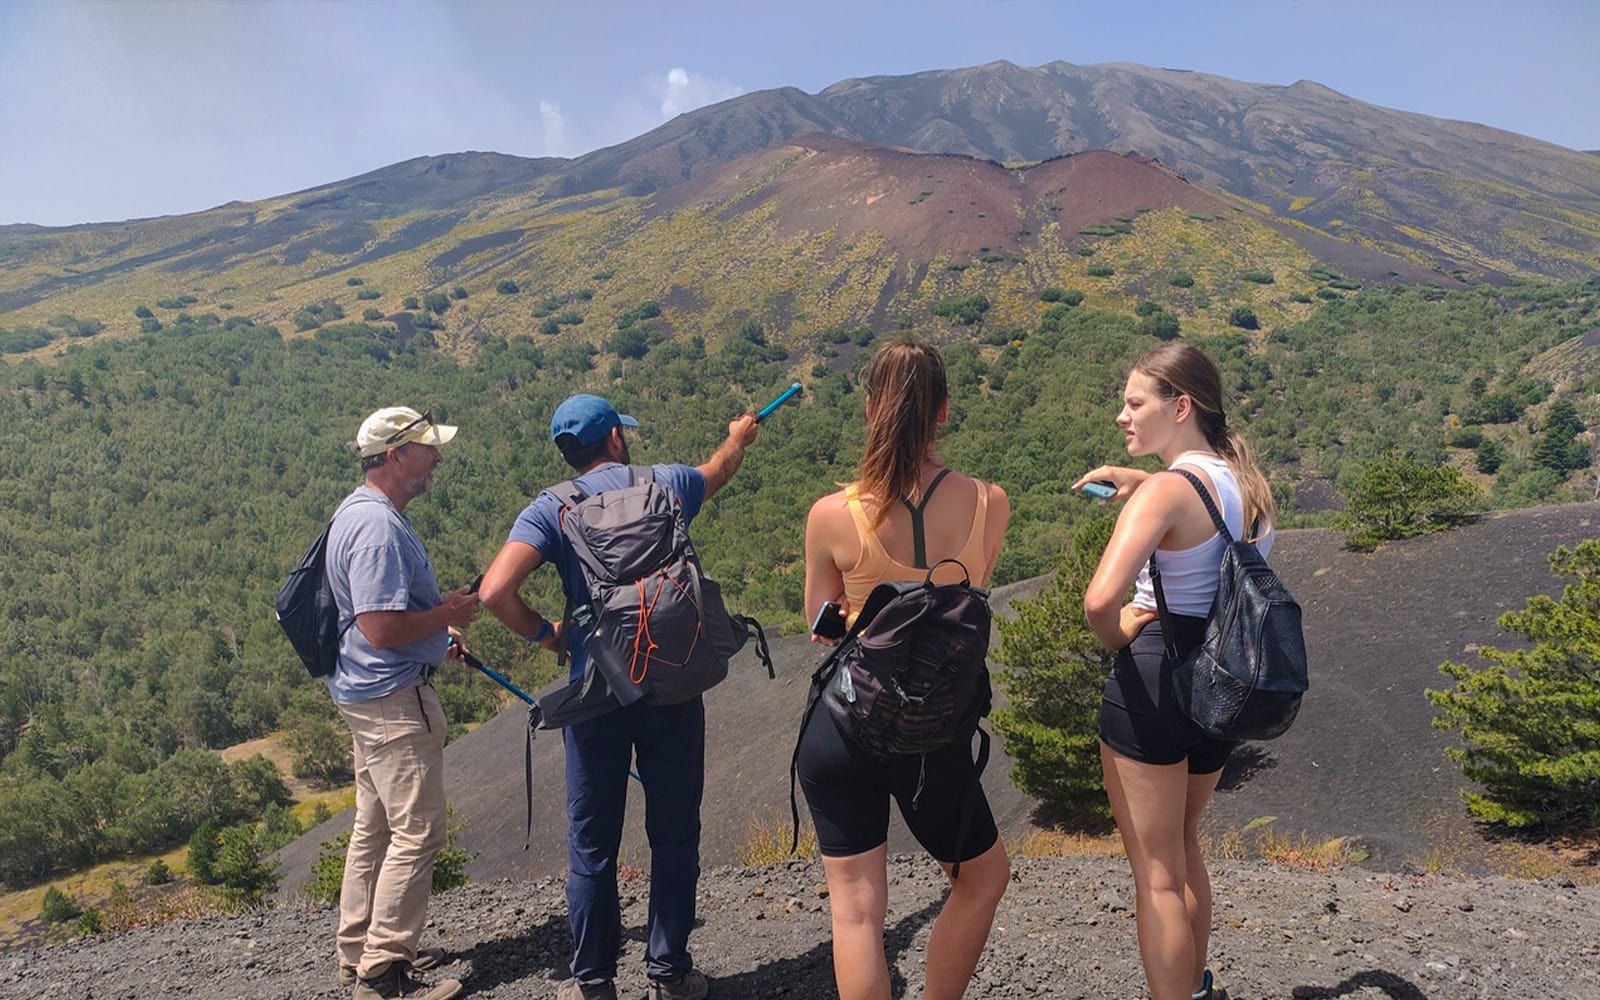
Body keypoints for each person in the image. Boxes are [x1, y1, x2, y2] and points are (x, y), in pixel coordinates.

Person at [479, 394, 760, 1000]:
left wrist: (548, 635)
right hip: (674, 684)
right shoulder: (667, 485)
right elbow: (722, 468)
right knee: (675, 831)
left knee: (592, 845)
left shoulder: (550, 510)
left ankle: (594, 984)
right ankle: (669, 973)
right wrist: (739, 435)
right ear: (614, 439)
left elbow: (495, 590)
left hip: (599, 692)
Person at [797, 340, 1012, 1000]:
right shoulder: (988, 505)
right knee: (982, 878)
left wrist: (856, 611)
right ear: (943, 411)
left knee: (857, 910)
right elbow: (960, 608)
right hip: (930, 733)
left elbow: (818, 628)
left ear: (871, 411)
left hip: (842, 726)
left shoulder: (833, 515)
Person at [1073, 343, 1277, 1000]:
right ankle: (1195, 986)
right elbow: (1201, 519)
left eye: (1135, 403)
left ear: (1181, 406)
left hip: (1155, 680)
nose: (1121, 417)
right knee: (1184, 847)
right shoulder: (1250, 487)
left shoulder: (1163, 493)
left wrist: (1120, 632)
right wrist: (1136, 481)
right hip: (1221, 680)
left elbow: (1101, 600)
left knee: (1155, 875)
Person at [326, 406, 481, 1000]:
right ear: (394, 456)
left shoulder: (359, 512)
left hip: (365, 694)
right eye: (427, 450)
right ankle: (383, 973)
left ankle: (358, 952)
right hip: (392, 698)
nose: (436, 459)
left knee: (376, 827)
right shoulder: (378, 528)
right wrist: (447, 615)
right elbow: (382, 629)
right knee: (417, 833)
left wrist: (436, 633)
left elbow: (382, 622)